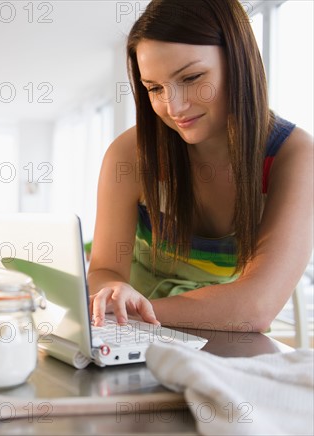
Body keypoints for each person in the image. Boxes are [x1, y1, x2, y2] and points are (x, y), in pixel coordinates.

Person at [88, 0, 313, 332]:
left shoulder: (294, 157)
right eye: (154, 88)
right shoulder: (129, 155)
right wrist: (113, 292)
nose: (173, 106)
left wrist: (137, 314)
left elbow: (256, 306)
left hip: (218, 336)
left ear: (239, 61)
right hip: (131, 339)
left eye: (192, 77)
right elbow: (104, 271)